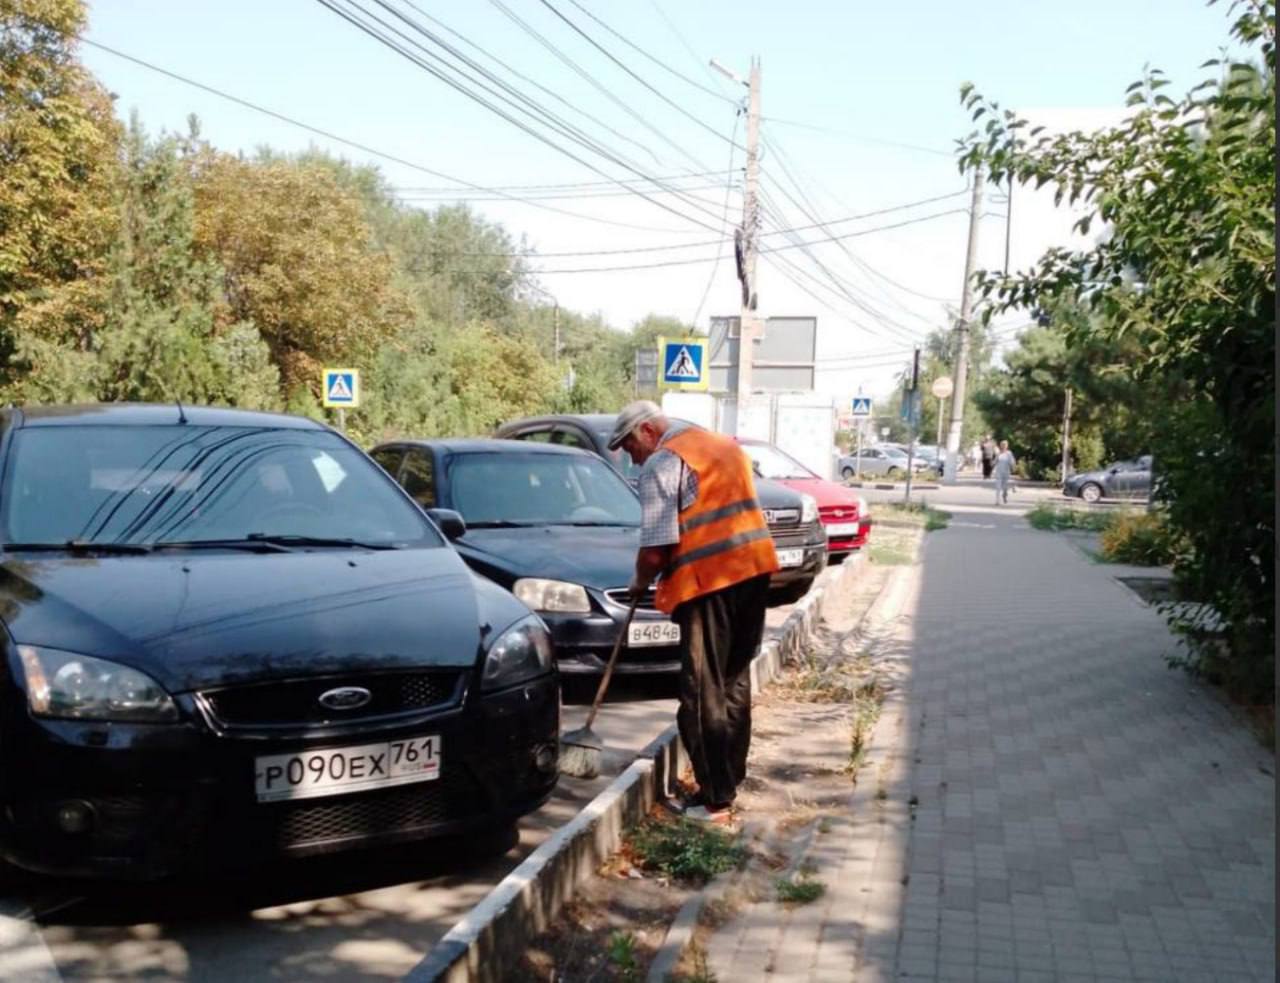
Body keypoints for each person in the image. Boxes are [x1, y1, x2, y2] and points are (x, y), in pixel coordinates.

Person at [608, 400, 779, 828]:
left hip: (710, 583)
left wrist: (639, 581)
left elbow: (657, 549)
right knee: (733, 683)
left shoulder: (663, 465)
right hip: (754, 573)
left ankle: (715, 800)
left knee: (701, 690)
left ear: (648, 431)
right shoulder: (722, 446)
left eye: (630, 446)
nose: (632, 457)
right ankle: (729, 780)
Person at [993, 439, 1017, 505]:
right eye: (1002, 445)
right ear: (1000, 446)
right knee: (998, 487)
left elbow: (1012, 462)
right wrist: (992, 464)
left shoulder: (1009, 453)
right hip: (999, 472)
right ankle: (997, 501)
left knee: (1005, 487)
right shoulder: (998, 453)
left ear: (1007, 446)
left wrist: (1013, 467)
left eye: (1005, 445)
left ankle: (1004, 495)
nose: (1003, 446)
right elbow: (995, 462)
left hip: (1006, 472)